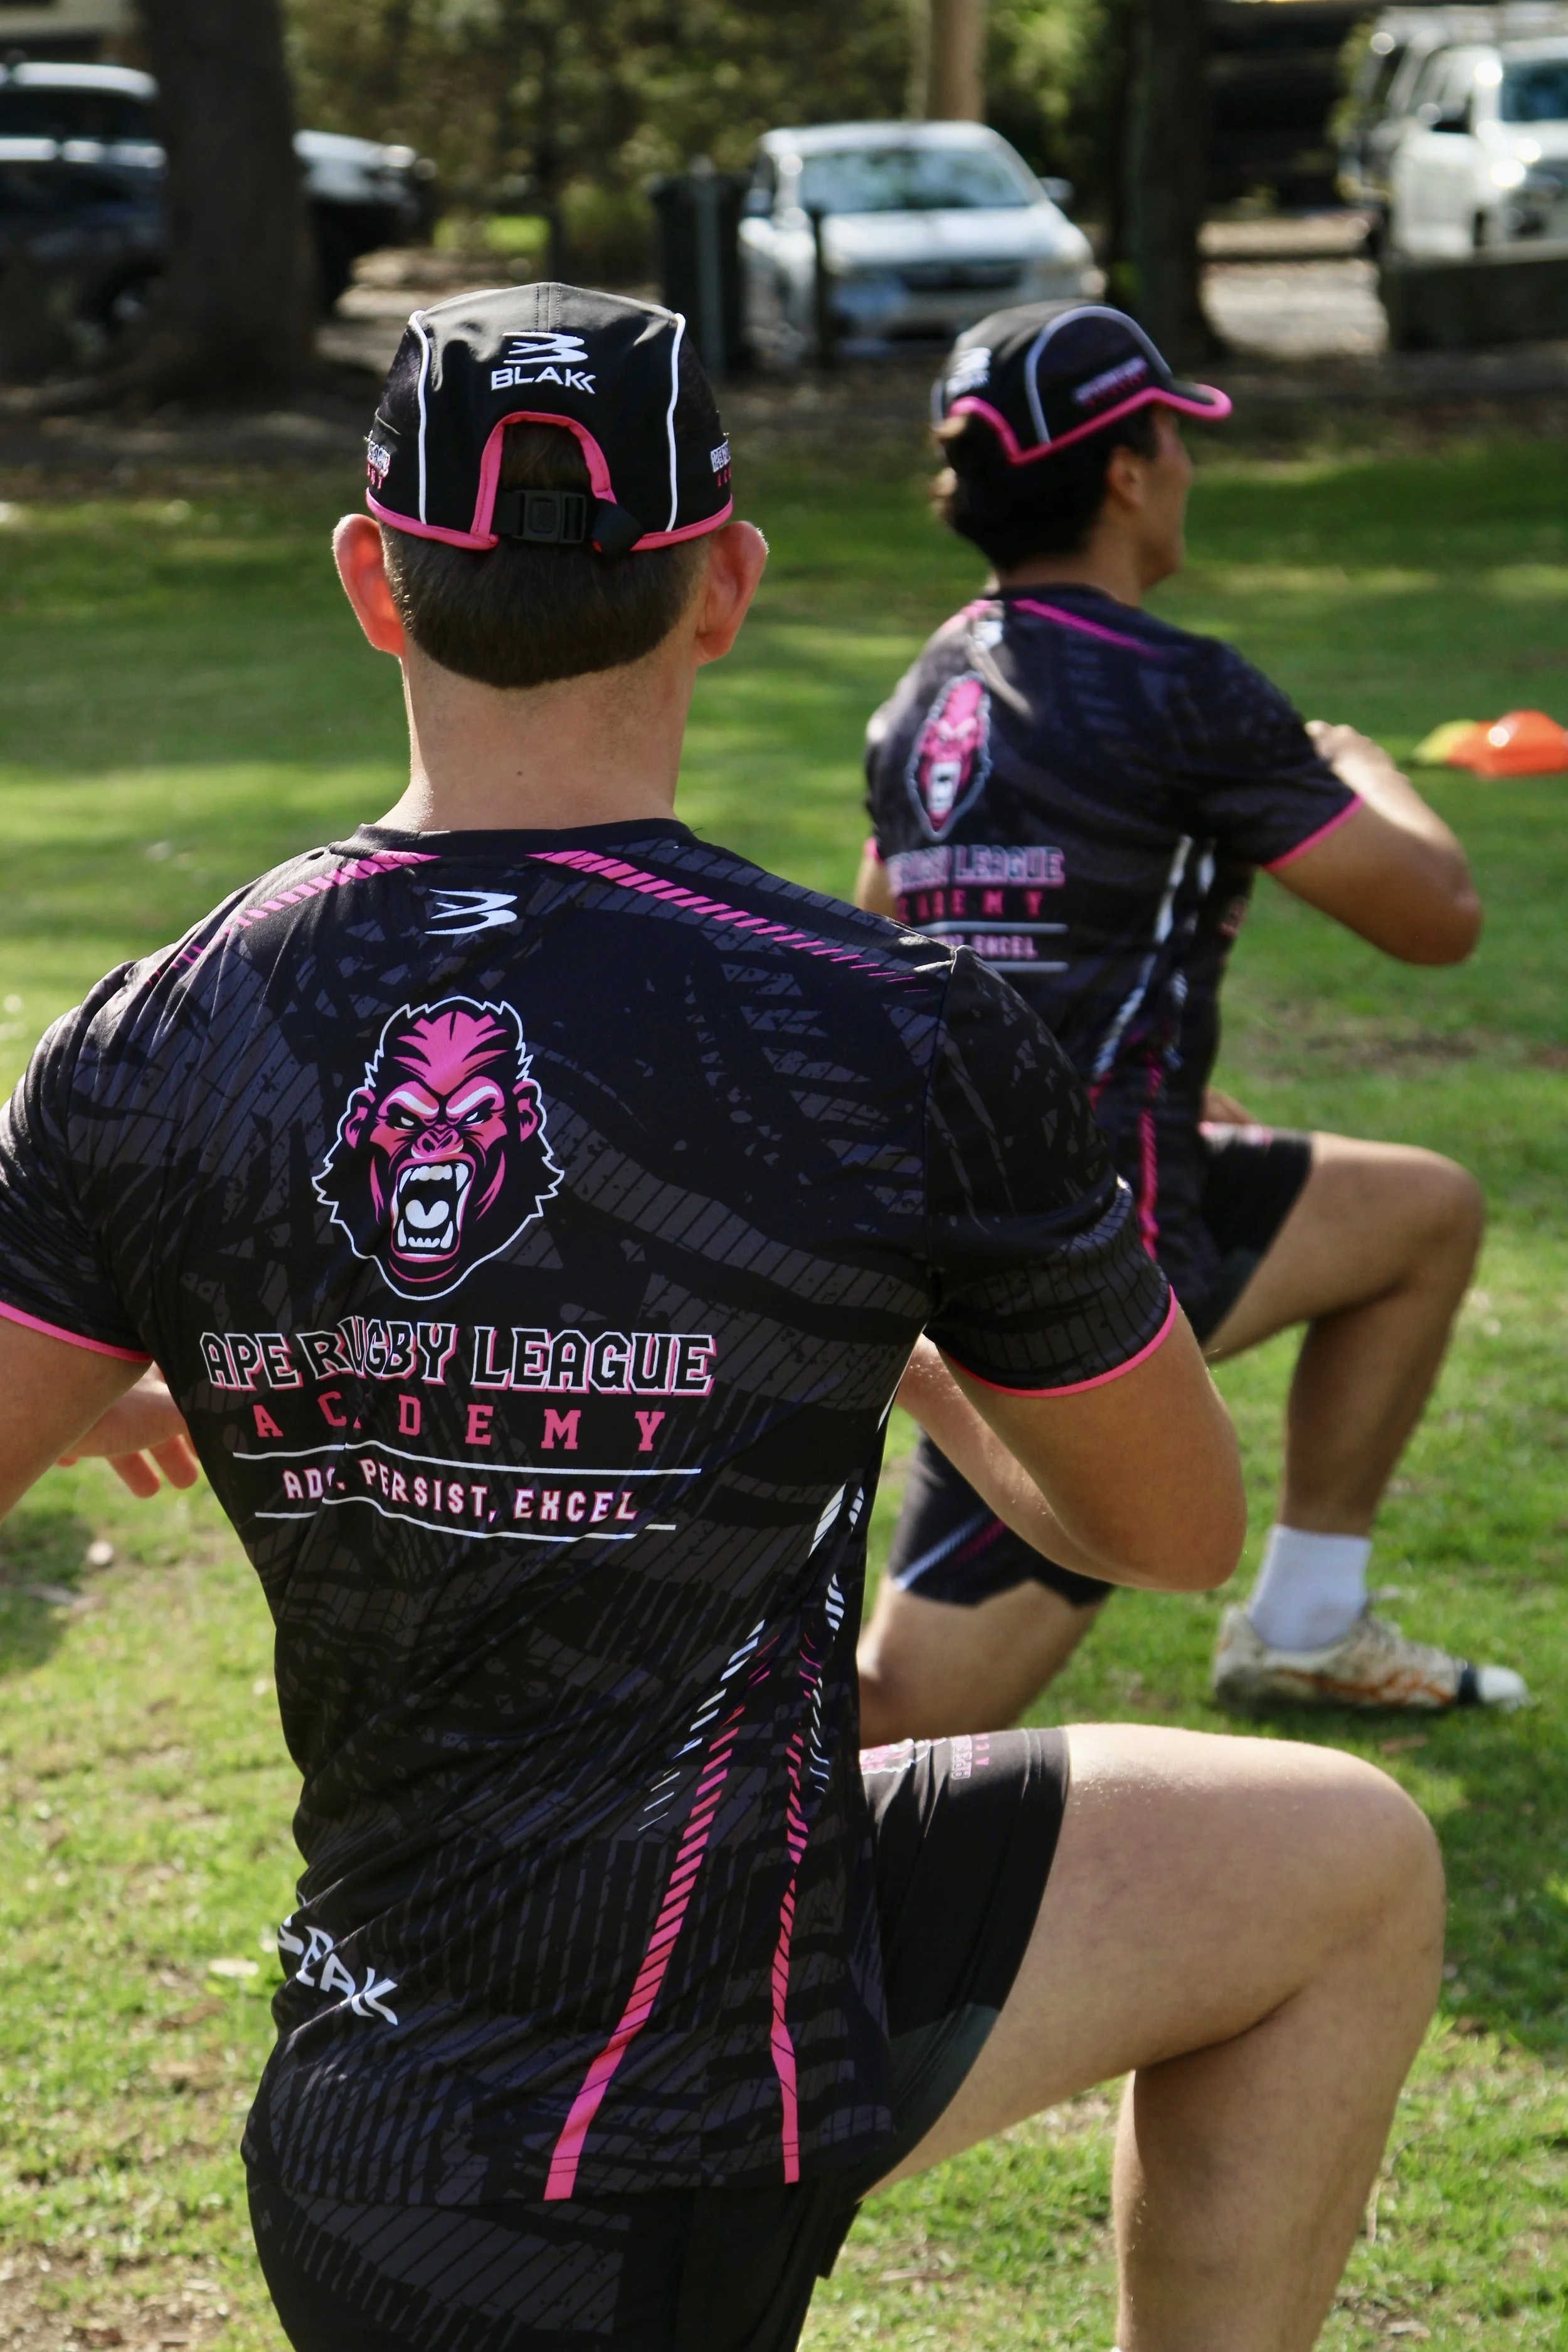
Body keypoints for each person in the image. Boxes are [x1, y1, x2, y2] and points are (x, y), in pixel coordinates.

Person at [1, 285, 1443, 2352]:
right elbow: (1169, 1531)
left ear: (370, 581)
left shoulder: (146, 1038)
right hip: (652, 2140)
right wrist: (905, 1339)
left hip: (384, 2105)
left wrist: (142, 1374)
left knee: (1336, 1862)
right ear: (728, 585)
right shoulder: (892, 1035)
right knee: (1351, 1861)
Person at [856, 299, 1525, 1739]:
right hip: (1083, 1265)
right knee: (901, 1716)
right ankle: (601, 1805)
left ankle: (1305, 1626)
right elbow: (1436, 917)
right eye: (1175, 440)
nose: (1186, 468)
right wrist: (1354, 764)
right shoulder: (1182, 691)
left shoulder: (920, 692)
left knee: (1420, 1212)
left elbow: (884, 957)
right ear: (1125, 471)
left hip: (1003, 1202)